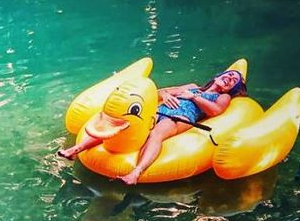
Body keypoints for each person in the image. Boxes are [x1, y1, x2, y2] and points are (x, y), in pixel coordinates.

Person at [58, 70, 248, 185]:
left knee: (156, 133)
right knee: (126, 126)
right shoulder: (192, 86)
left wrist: (194, 98)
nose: (230, 78)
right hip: (158, 111)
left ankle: (136, 173)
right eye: (229, 75)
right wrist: (164, 95)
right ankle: (76, 149)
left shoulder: (222, 97)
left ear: (230, 89)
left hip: (181, 117)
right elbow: (157, 93)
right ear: (218, 76)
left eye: (234, 81)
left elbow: (215, 111)